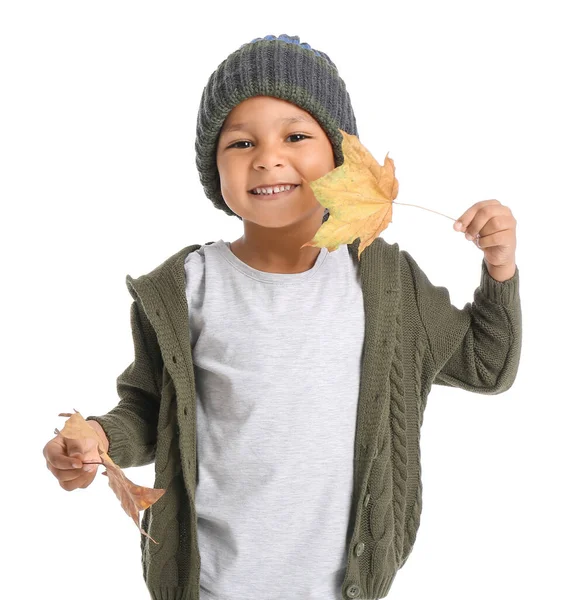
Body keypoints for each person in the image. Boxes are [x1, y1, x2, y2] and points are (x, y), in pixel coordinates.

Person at [42, 33, 522, 600]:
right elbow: (150, 411)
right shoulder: (189, 288)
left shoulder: (385, 283)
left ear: (341, 160)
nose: (269, 156)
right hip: (212, 584)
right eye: (241, 143)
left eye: (296, 135)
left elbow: (488, 365)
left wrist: (500, 268)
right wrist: (98, 438)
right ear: (214, 169)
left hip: (345, 586)